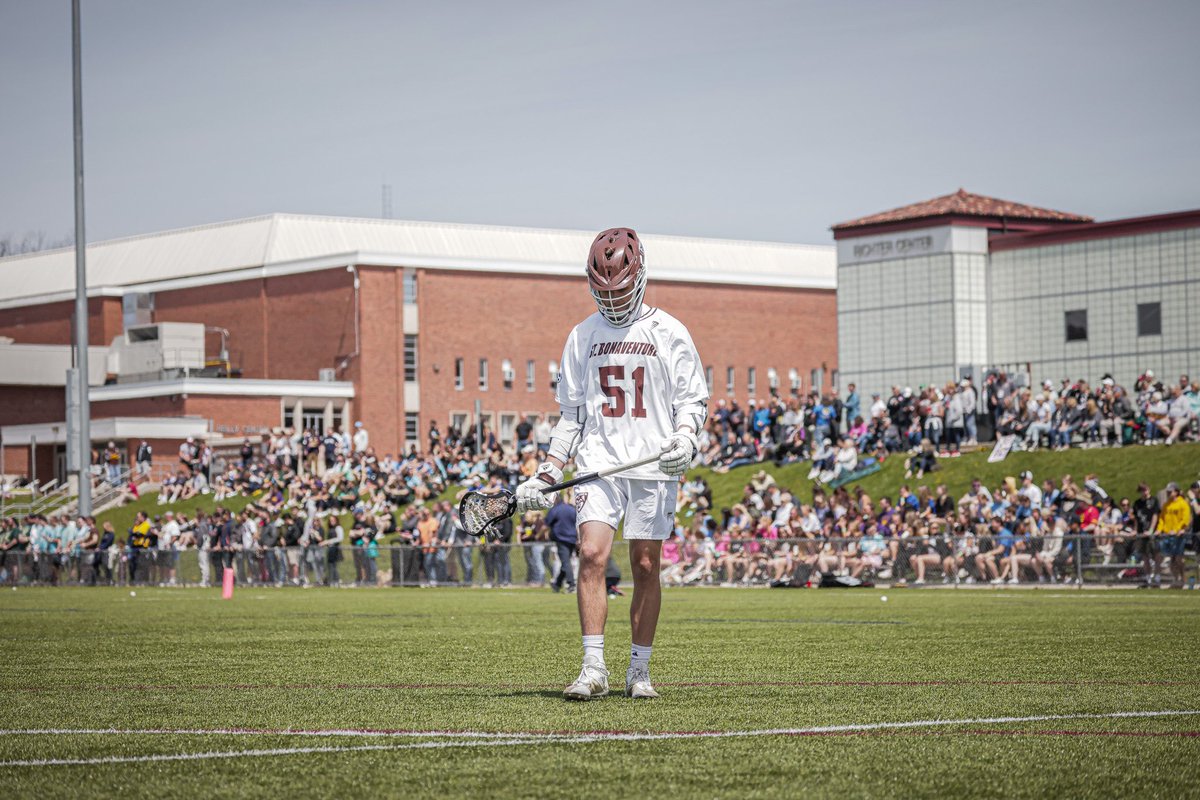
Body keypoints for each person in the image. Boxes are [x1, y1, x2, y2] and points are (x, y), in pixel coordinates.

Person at [515, 228, 708, 701]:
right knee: (592, 554)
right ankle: (593, 667)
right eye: (603, 292)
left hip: (653, 466)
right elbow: (572, 415)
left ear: (640, 277)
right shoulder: (583, 336)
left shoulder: (669, 332)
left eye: (619, 290)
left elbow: (692, 400)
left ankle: (638, 670)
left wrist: (686, 436)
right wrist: (548, 470)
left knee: (645, 565)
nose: (613, 301)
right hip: (600, 464)